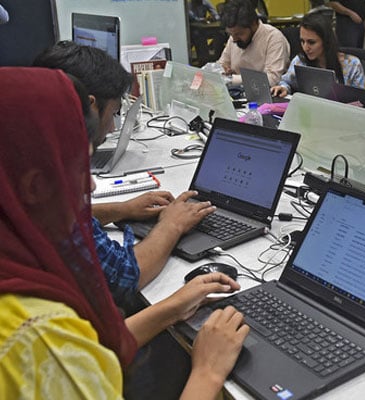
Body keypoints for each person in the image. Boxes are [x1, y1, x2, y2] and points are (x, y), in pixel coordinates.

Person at [0, 66, 249, 399]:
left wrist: (172, 307)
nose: (89, 185)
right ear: (35, 186)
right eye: (79, 167)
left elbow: (95, 344)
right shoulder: (41, 342)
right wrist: (207, 372)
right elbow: (66, 350)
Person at [33, 42, 218, 311]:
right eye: (114, 113)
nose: (111, 127)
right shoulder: (43, 176)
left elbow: (66, 221)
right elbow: (123, 276)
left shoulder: (24, 148)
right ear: (89, 106)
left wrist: (122, 209)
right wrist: (172, 225)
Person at [270, 11, 365, 98]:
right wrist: (284, 88)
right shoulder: (300, 61)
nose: (305, 48)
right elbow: (286, 81)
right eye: (302, 41)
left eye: (311, 42)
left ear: (326, 41)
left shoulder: (352, 65)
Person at [217, 0, 290, 86]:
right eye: (230, 34)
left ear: (254, 24)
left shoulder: (274, 38)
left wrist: (232, 79)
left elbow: (273, 79)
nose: (234, 39)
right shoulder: (234, 37)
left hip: (264, 94)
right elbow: (221, 65)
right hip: (237, 91)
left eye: (239, 34)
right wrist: (223, 70)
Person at [188, 0, 225, 65]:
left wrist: (214, 18)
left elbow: (215, 14)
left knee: (220, 33)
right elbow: (192, 17)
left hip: (204, 28)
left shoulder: (205, 2)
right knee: (199, 35)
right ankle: (203, 61)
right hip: (192, 31)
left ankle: (216, 57)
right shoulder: (188, 5)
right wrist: (201, 20)